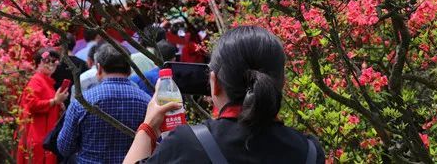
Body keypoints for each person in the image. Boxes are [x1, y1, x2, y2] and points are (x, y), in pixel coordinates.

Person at [122, 25, 326, 164]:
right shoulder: (309, 151)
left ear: (214, 82)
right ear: (282, 83)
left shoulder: (187, 144)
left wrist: (148, 127)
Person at [57, 43, 151, 164]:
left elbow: (64, 147)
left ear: (99, 67)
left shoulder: (82, 102)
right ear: (129, 69)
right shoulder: (147, 101)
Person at [15, 47, 69, 164]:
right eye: (47, 61)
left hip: (43, 133)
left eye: (54, 61)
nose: (51, 64)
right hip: (37, 134)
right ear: (38, 63)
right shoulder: (36, 80)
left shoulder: (46, 81)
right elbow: (32, 105)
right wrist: (54, 101)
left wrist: (58, 104)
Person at [52, 32, 88, 106]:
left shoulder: (54, 64)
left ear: (60, 46)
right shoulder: (83, 64)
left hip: (57, 101)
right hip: (78, 103)